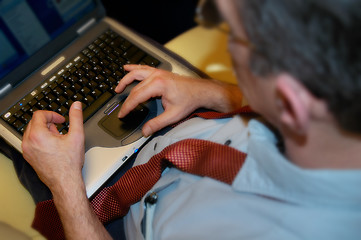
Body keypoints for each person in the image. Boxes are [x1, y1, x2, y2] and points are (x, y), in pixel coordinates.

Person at [21, 0, 361, 239]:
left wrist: (66, 184)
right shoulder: (332, 112)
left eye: (237, 36)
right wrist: (209, 92)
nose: (227, 49)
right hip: (189, 127)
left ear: (289, 103)